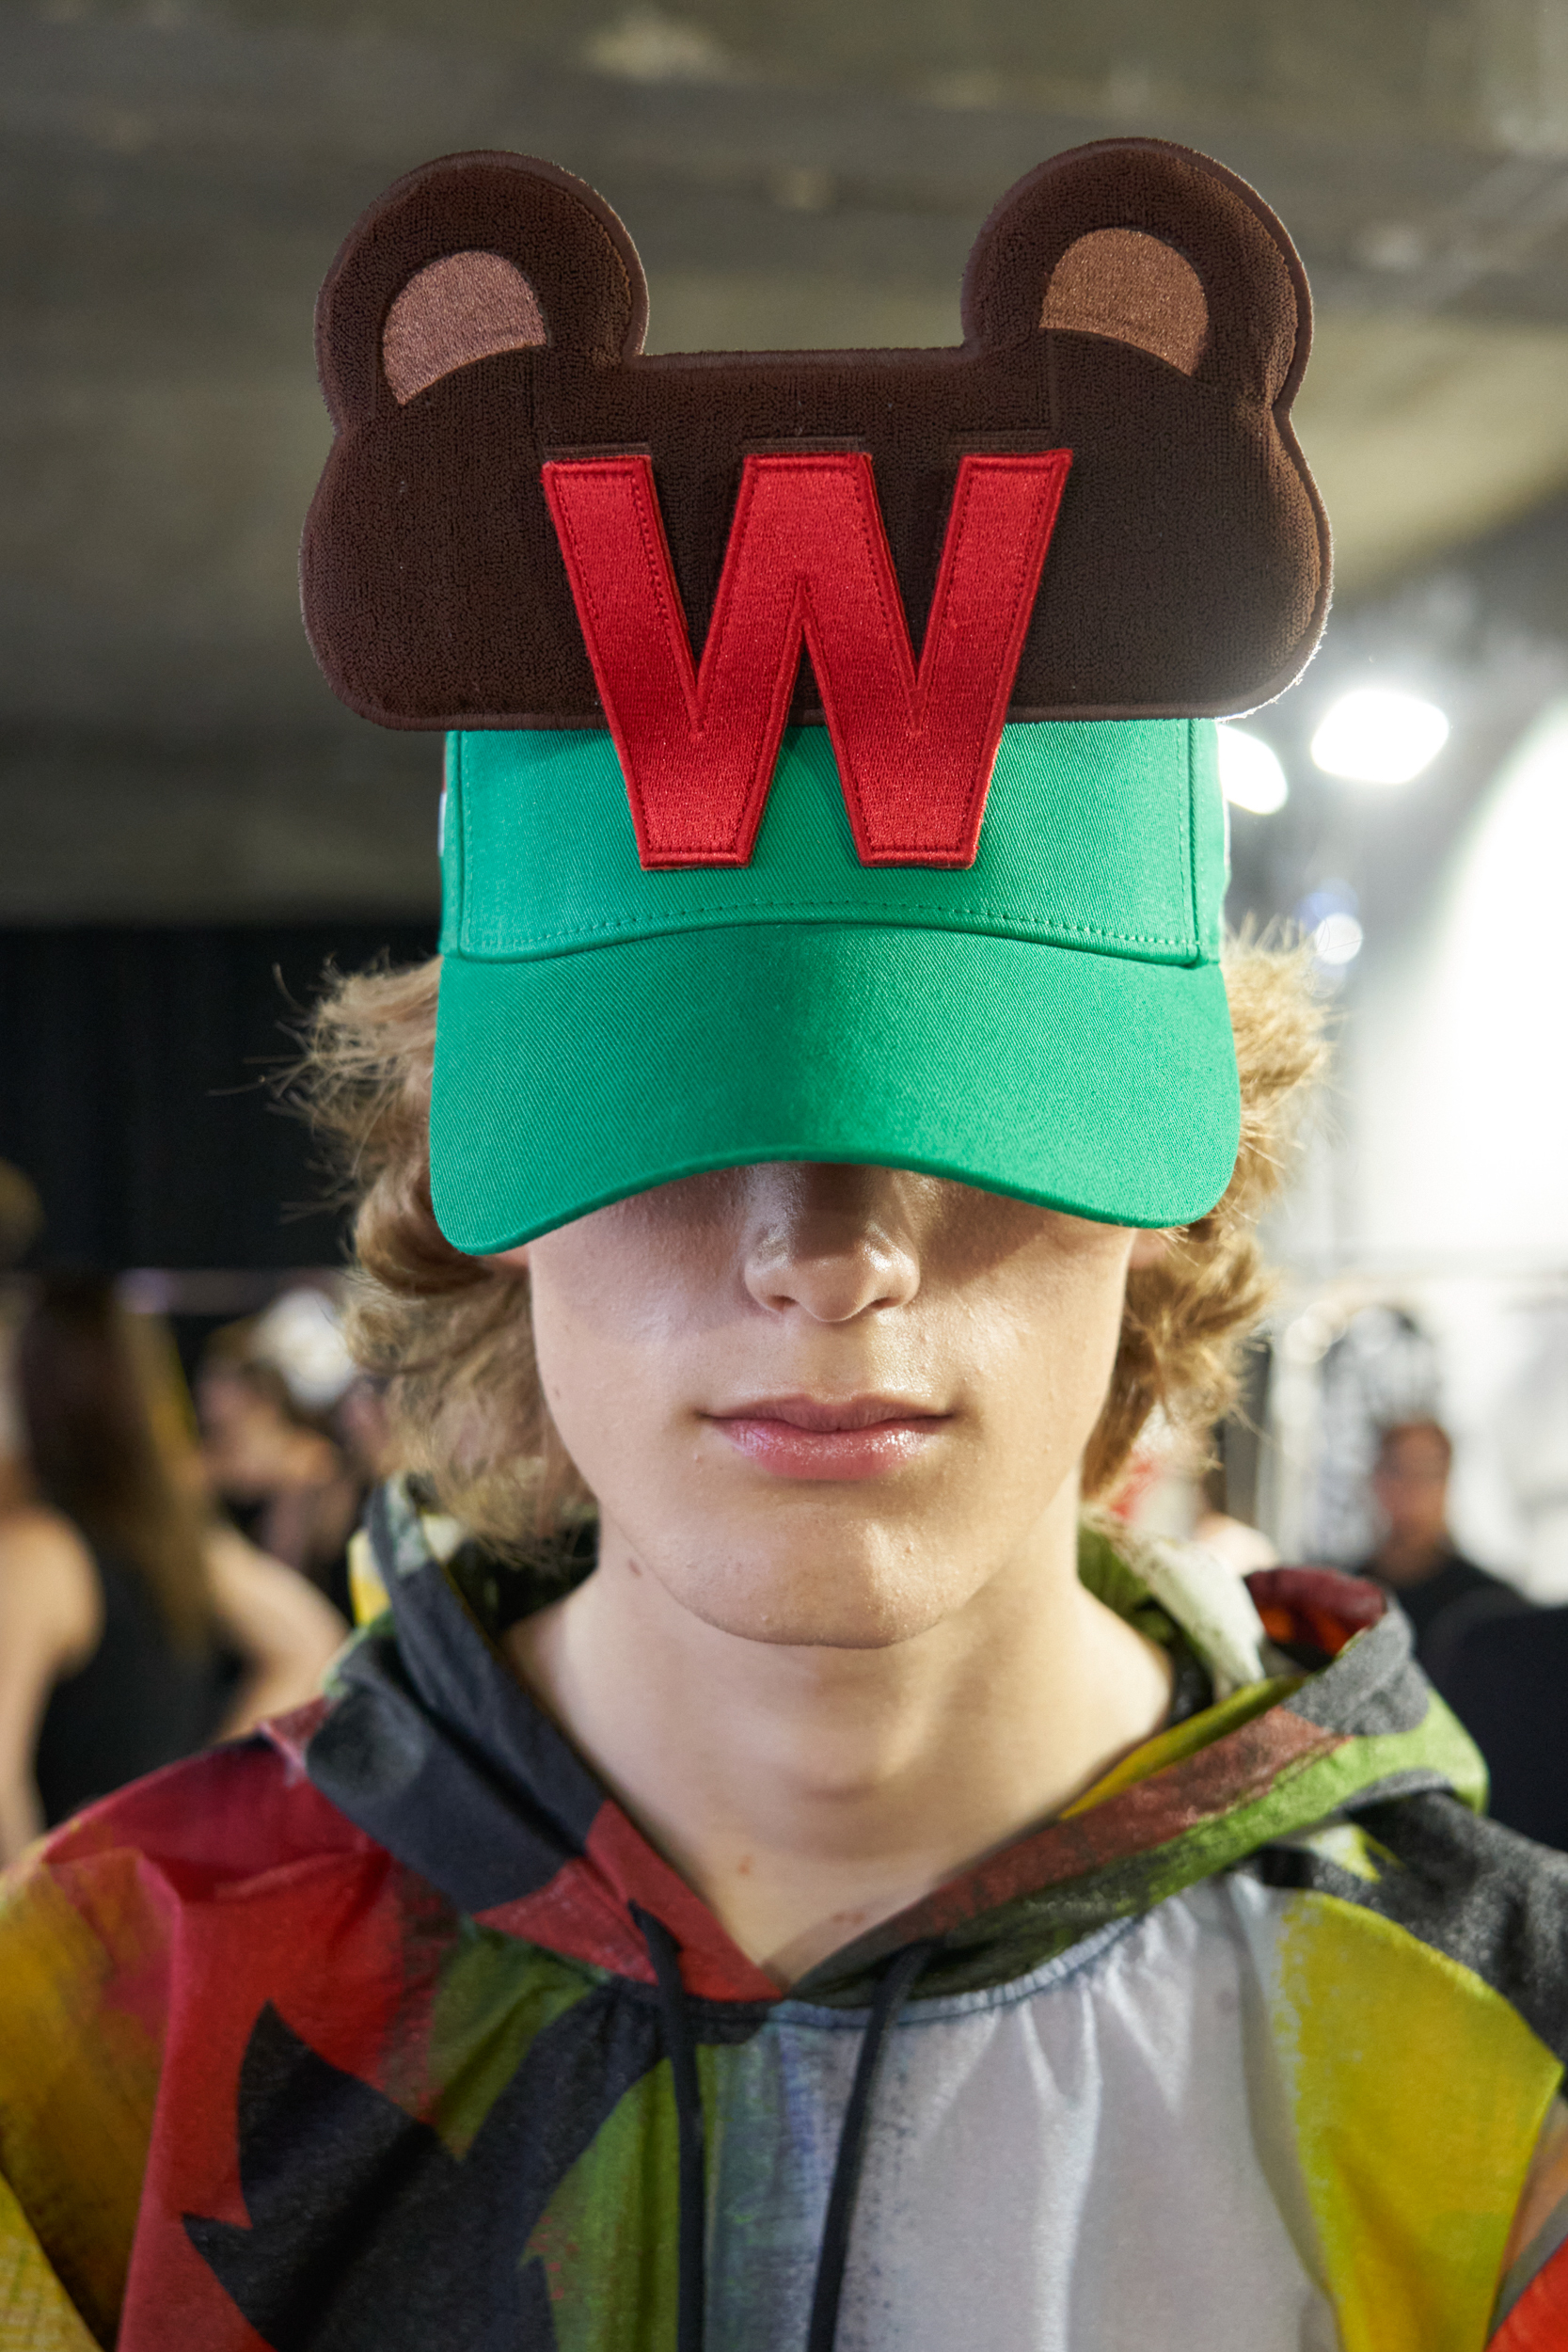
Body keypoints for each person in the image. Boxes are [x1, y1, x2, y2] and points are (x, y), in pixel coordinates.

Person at [4, 135, 1568, 2352]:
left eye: (972, 1114)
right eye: (675, 1111)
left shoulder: (1511, 2080)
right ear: (484, 1184)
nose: (826, 1251)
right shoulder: (103, 2023)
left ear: (1177, 1194)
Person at [0, 1271, 346, 1861]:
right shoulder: (171, 1541)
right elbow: (313, 1641)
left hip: (73, 1926)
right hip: (143, 1908)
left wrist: (41, 1919)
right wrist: (189, 1809)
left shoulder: (41, 1552)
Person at [1352, 1418, 1530, 1668]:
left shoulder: (1492, 1606)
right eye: (1397, 1470)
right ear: (1376, 1478)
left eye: (1427, 1472)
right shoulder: (1341, 1598)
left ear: (1447, 1482)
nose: (1412, 1488)